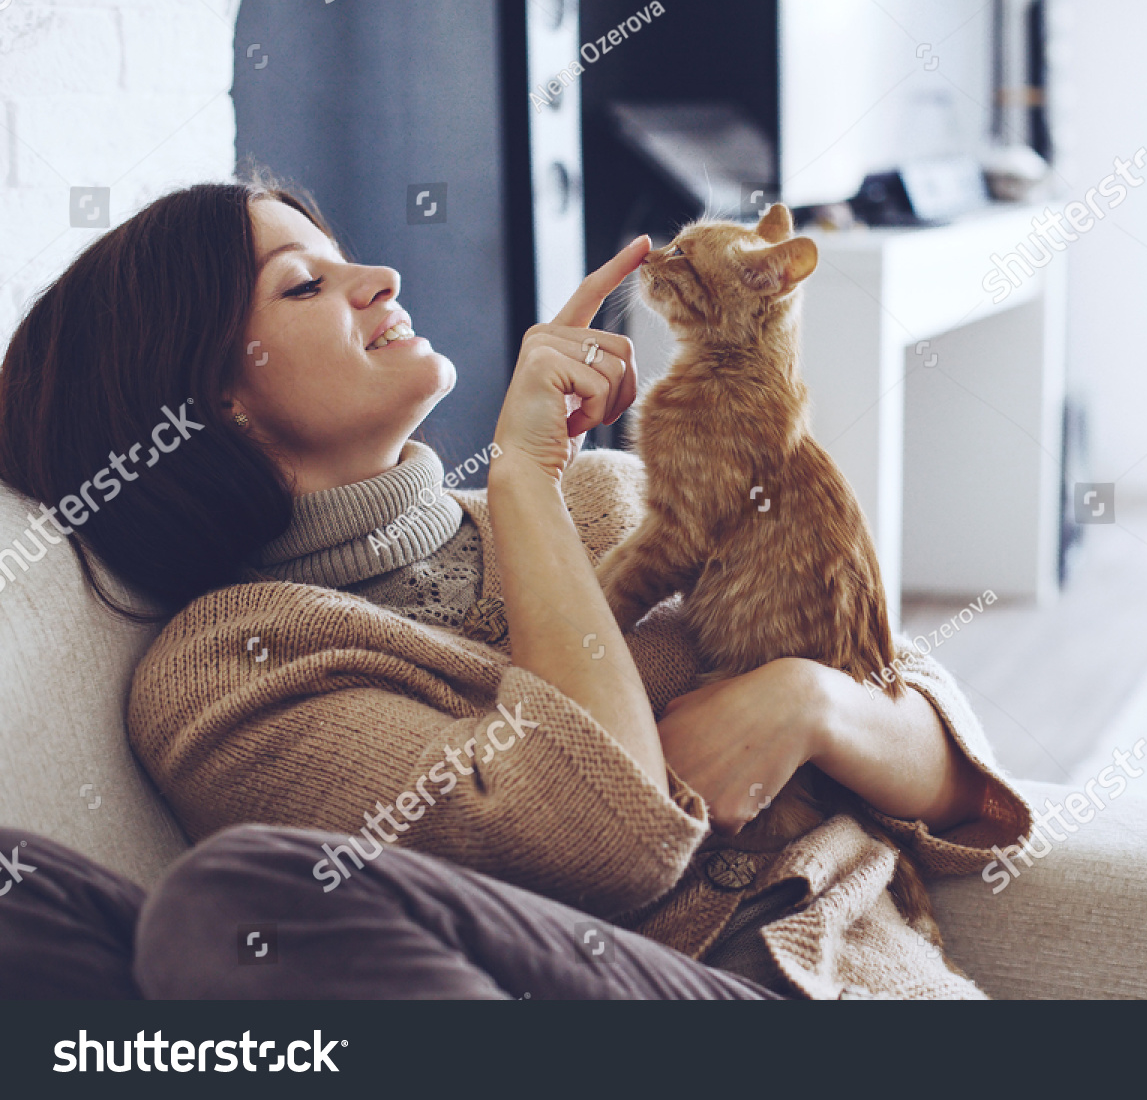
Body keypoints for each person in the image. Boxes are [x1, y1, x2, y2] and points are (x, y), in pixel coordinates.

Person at [0, 176, 1032, 999]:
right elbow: (612, 833)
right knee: (133, 901)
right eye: (303, 285)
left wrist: (808, 702)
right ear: (213, 401)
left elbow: (953, 777)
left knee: (223, 902)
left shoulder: (612, 497)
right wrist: (521, 480)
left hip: (836, 990)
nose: (381, 275)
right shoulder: (229, 672)